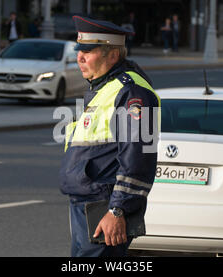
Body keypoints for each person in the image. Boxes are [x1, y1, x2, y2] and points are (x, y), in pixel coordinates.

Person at [60, 16, 161, 257]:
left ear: (113, 55)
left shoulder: (131, 91)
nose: (79, 57)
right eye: (79, 50)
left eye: (88, 51)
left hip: (104, 208)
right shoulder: (103, 87)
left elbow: (138, 158)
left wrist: (118, 210)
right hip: (88, 205)